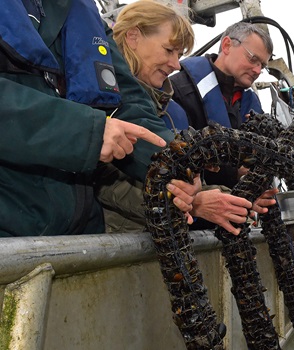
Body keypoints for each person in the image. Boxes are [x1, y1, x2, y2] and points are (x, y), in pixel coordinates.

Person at [0, 0, 197, 237]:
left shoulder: (81, 12)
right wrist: (84, 131)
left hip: (78, 233)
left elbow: (126, 103)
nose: (176, 64)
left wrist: (178, 162)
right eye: (169, 50)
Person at [99, 0, 276, 234]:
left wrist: (236, 200)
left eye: (179, 54)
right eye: (169, 50)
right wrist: (193, 205)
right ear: (133, 37)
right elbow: (101, 182)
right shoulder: (101, 96)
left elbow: (189, 186)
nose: (175, 64)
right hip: (117, 245)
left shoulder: (170, 110)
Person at [168, 21, 277, 230]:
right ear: (226, 45)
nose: (257, 70)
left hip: (236, 221)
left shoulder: (250, 104)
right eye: (253, 59)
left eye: (262, 65)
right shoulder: (178, 91)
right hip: (193, 226)